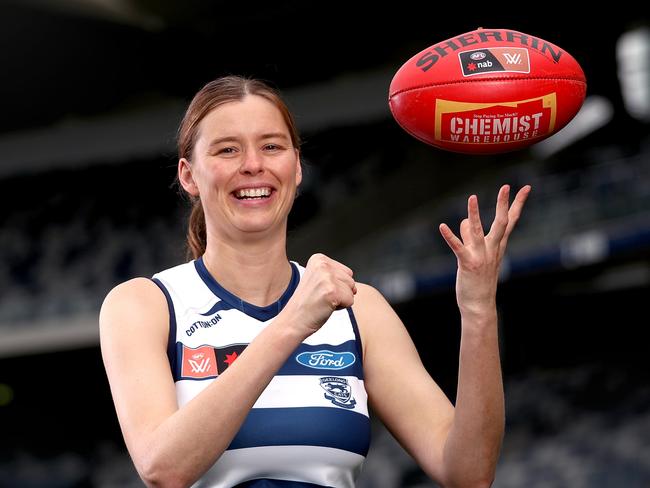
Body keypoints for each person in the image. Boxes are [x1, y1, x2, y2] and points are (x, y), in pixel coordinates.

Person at [99, 75, 531, 488]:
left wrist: (477, 311)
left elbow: (468, 473)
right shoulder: (145, 305)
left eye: (272, 146)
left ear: (297, 167)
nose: (253, 165)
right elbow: (163, 468)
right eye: (227, 150)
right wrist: (292, 323)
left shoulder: (360, 310)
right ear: (189, 175)